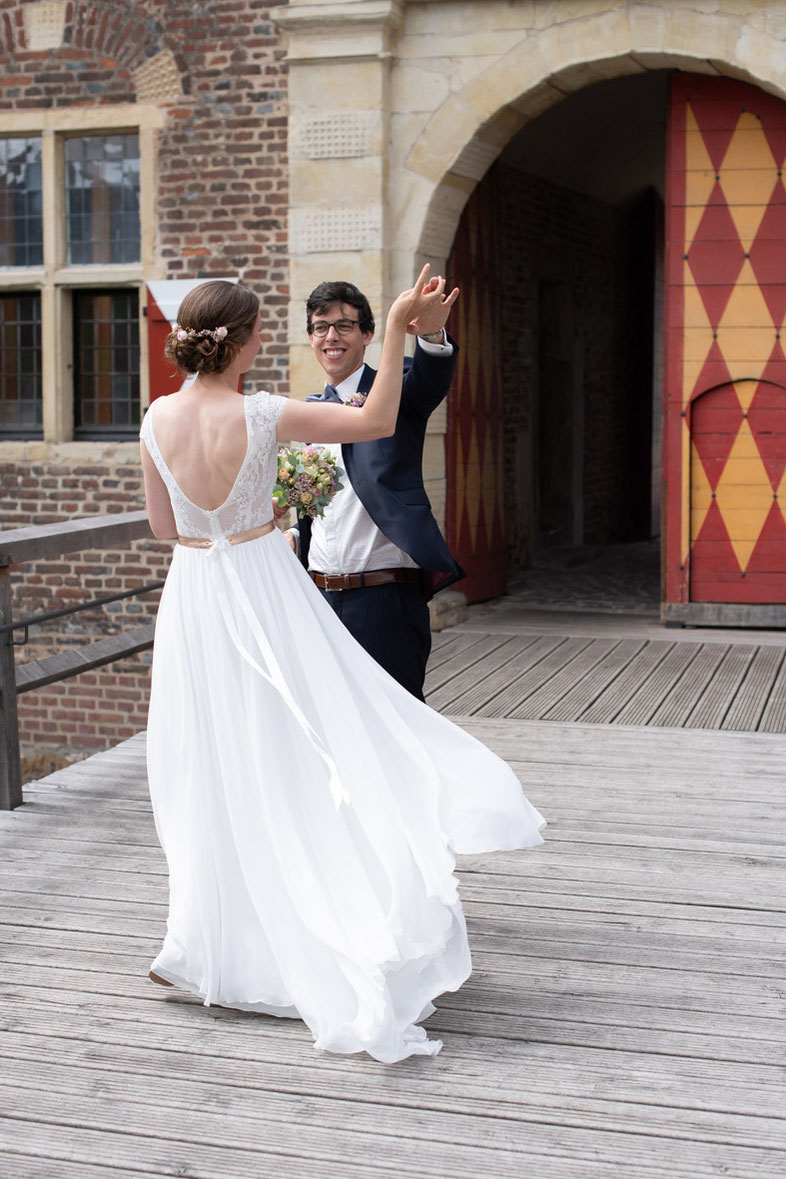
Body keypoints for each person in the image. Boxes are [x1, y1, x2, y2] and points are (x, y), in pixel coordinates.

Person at [139, 273, 545, 1064]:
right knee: (300, 750)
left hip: (192, 596)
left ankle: (209, 946)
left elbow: (163, 524)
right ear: (246, 341)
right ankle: (320, 922)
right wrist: (393, 326)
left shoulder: (155, 417)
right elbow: (377, 417)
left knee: (212, 763)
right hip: (262, 583)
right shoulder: (262, 413)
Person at [287, 277, 462, 700]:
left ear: (367, 335)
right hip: (320, 598)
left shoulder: (394, 387)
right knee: (334, 723)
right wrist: (296, 534)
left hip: (385, 598)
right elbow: (320, 503)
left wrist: (433, 334)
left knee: (401, 725)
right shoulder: (311, 411)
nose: (332, 336)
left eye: (345, 326)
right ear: (310, 337)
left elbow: (430, 377)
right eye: (321, 326)